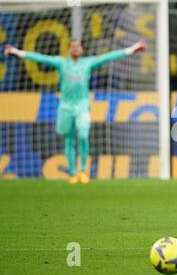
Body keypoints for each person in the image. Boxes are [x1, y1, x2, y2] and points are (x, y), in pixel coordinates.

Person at [4, 40, 147, 184]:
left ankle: (83, 170)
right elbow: (40, 58)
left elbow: (108, 57)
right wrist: (16, 52)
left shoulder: (88, 63)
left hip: (82, 105)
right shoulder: (61, 63)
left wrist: (131, 49)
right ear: (68, 49)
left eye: (78, 46)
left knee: (83, 134)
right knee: (69, 139)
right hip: (65, 106)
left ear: (82, 49)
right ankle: (72, 173)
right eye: (72, 46)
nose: (75, 48)